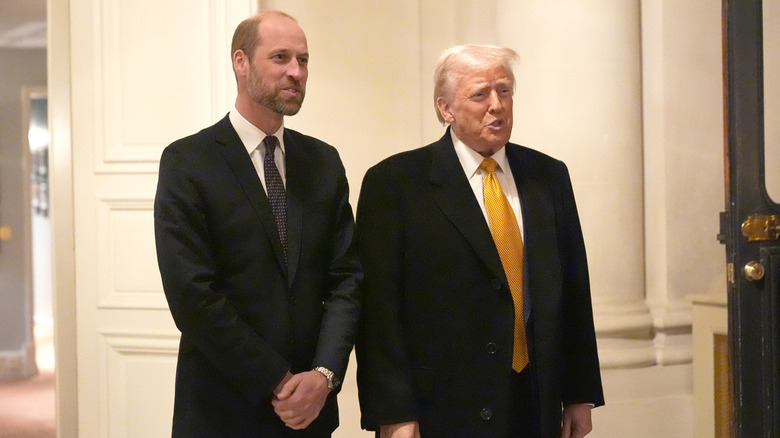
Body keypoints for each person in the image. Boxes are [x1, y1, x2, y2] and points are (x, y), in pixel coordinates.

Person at [355, 44, 604, 438]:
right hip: (444, 407)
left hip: (535, 400)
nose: (497, 105)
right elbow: (379, 313)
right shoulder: (396, 184)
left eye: (504, 91)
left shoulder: (548, 176)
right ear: (446, 109)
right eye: (480, 94)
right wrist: (393, 412)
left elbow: (573, 291)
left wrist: (580, 394)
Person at [154, 10, 361, 437]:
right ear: (241, 62)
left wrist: (323, 376)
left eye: (303, 60)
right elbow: (192, 295)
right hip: (222, 408)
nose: (296, 72)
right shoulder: (188, 162)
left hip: (311, 412)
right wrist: (278, 381)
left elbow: (347, 279)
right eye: (281, 57)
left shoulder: (323, 162)